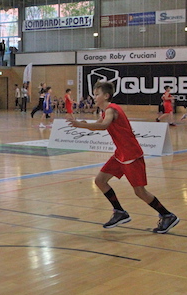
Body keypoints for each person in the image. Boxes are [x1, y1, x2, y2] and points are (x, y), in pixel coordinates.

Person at [69, 81, 179, 234]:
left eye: (97, 94)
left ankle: (167, 215)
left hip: (131, 154)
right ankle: (119, 212)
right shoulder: (105, 111)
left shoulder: (112, 110)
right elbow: (98, 125)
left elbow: (104, 125)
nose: (94, 97)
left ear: (106, 96)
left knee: (140, 192)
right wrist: (84, 123)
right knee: (100, 181)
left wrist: (81, 125)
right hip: (121, 153)